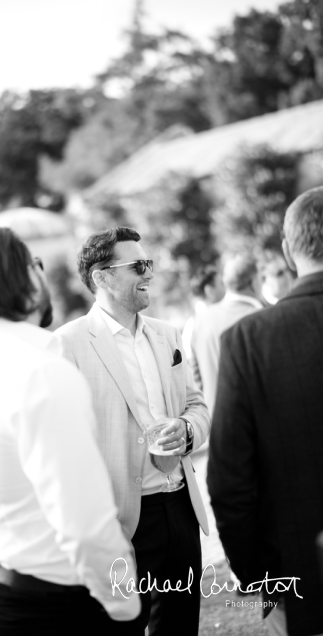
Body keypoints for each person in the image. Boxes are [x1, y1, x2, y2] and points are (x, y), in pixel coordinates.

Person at [0, 226, 141, 635]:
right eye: (36, 264)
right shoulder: (41, 373)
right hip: (52, 605)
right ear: (21, 279)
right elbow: (86, 524)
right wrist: (124, 605)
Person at [53, 226, 210, 636]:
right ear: (102, 277)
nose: (150, 274)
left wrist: (187, 429)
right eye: (138, 265)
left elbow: (197, 406)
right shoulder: (66, 345)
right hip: (121, 518)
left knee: (180, 628)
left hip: (181, 510)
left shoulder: (168, 334)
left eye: (149, 263)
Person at [208, 186, 323, 636]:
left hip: (300, 583)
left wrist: (266, 584)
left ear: (288, 252)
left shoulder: (248, 341)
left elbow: (229, 483)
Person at [189, 254, 262, 416]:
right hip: (253, 423)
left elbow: (195, 380)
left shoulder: (199, 321)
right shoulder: (263, 319)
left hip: (211, 421)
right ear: (255, 282)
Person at [181, 265, 225, 361]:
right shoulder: (208, 322)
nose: (225, 288)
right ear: (209, 290)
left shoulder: (191, 325)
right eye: (221, 284)